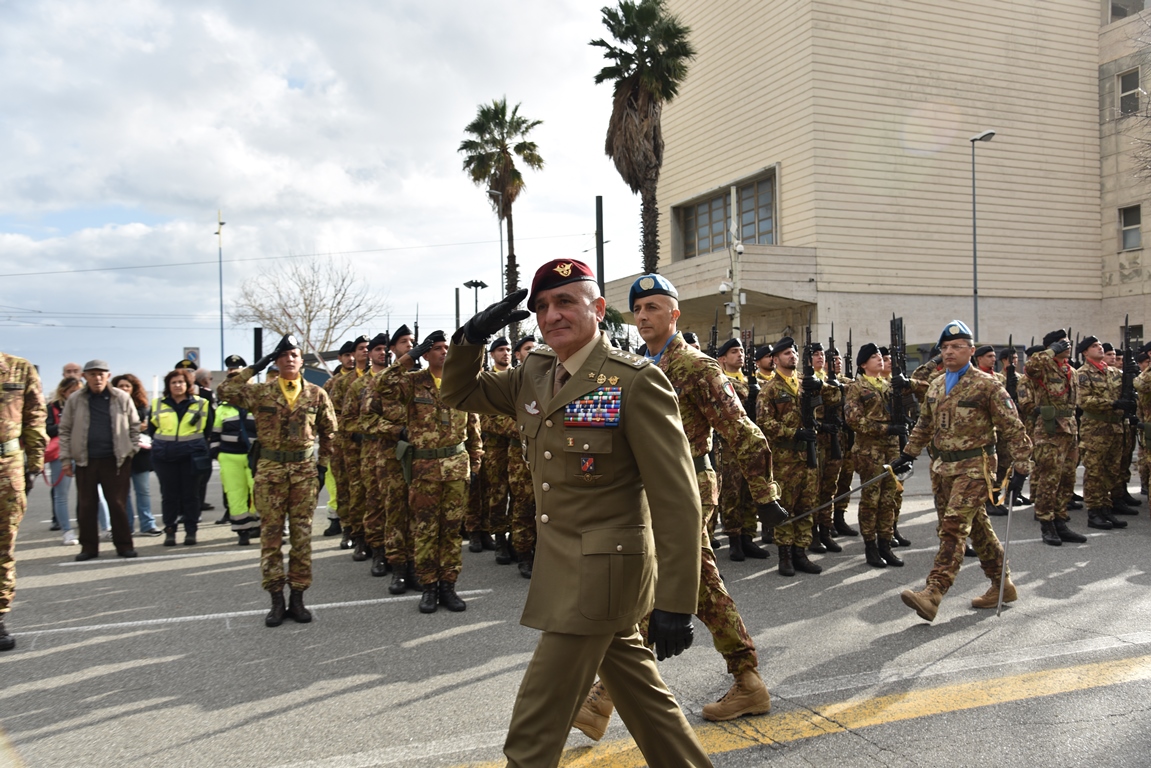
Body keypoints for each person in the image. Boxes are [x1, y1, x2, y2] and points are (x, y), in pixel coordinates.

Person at [441, 259, 712, 768]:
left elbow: (676, 497)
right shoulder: (536, 373)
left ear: (599, 310)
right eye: (542, 306)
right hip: (566, 566)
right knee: (643, 700)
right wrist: (471, 337)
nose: (552, 315)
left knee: (535, 724)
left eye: (566, 301)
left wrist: (678, 599)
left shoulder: (635, 382)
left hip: (603, 576)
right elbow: (458, 392)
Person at [572, 273, 784, 734]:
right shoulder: (629, 366)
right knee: (700, 581)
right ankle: (748, 680)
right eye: (639, 310)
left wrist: (765, 496)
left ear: (675, 313)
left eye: (654, 307)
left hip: (687, 486)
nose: (645, 316)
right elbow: (602, 427)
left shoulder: (697, 367)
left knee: (649, 582)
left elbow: (741, 429)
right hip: (643, 491)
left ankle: (603, 698)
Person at [894, 321, 1032, 623]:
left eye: (957, 346)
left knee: (953, 527)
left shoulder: (988, 385)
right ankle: (1002, 585)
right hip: (942, 467)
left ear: (971, 350)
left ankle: (933, 593)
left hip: (975, 468)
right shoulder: (936, 384)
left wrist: (1022, 466)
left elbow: (1013, 426)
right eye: (945, 347)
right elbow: (924, 425)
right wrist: (907, 455)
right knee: (977, 527)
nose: (949, 352)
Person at [218, 334, 337, 627]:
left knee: (301, 539)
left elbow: (330, 432)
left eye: (294, 354)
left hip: (304, 474)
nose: (289, 359)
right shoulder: (261, 392)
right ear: (277, 360)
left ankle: (297, 598)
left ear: (301, 361)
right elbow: (225, 390)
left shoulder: (316, 394)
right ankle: (275, 599)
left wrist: (322, 467)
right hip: (270, 473)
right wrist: (256, 366)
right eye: (282, 355)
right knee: (271, 539)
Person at [380, 330, 482, 613]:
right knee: (425, 531)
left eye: (446, 347)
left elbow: (473, 426)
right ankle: (428, 588)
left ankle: (448, 586)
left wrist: (475, 463)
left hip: (456, 468)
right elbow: (383, 384)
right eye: (437, 348)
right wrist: (409, 356)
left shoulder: (459, 382)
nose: (444, 352)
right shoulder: (413, 383)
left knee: (451, 532)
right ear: (426, 354)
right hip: (424, 470)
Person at [58, 360, 140, 561]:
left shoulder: (121, 397)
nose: (97, 378)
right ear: (84, 376)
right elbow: (65, 430)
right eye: (93, 374)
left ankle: (124, 545)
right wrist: (66, 460)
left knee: (118, 505)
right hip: (86, 461)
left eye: (101, 374)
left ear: (108, 376)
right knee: (86, 506)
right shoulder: (75, 399)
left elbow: (134, 425)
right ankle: (88, 548)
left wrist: (132, 448)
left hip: (116, 460)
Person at [0, 350, 47, 651]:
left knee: (3, 545)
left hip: (6, 466)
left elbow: (35, 414)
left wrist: (34, 464)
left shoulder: (19, 369)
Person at [844, 343, 905, 568]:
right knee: (871, 500)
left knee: (889, 499)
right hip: (870, 452)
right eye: (873, 357)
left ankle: (885, 544)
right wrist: (885, 429)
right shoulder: (856, 387)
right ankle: (870, 547)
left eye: (880, 356)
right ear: (862, 364)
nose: (879, 359)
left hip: (892, 450)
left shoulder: (890, 385)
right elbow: (853, 420)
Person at [1025, 331, 1087, 546]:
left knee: (1067, 478)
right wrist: (1051, 350)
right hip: (1049, 430)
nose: (1067, 346)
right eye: (1062, 344)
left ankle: (1061, 521)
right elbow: (1030, 367)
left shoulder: (1071, 371)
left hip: (1070, 428)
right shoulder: (1043, 366)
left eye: (1067, 343)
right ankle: (1046, 523)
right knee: (1049, 478)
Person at [1075, 335, 1133, 529]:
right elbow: (1085, 401)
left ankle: (1106, 509)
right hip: (1095, 430)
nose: (1099, 348)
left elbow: (1126, 395)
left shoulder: (1115, 373)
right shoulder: (1083, 374)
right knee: (1095, 472)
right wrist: (1113, 403)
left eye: (1100, 345)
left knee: (1111, 471)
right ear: (1085, 352)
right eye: (1094, 346)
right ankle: (1094, 512)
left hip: (1116, 429)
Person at [150, 369, 211, 546]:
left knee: (191, 495)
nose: (178, 385)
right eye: (174, 382)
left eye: (181, 382)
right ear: (168, 386)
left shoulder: (201, 403)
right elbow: (153, 431)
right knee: (169, 496)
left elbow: (207, 430)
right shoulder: (157, 404)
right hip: (165, 457)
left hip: (191, 456)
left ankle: (191, 531)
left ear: (188, 385)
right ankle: (170, 530)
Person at [470, 337, 513, 558]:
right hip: (495, 449)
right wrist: (517, 427)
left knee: (519, 496)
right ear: (492, 354)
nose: (505, 353)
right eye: (500, 350)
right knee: (496, 495)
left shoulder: (519, 378)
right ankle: (500, 540)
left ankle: (517, 538)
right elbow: (483, 419)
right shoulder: (486, 380)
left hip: (518, 448)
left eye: (508, 349)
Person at [210, 357, 259, 546]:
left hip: (254, 456)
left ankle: (259, 526)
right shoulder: (222, 408)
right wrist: (218, 453)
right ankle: (242, 530)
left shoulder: (257, 404)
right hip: (230, 457)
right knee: (235, 494)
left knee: (259, 493)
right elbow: (215, 433)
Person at [112, 374, 161, 536]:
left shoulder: (142, 408)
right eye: (121, 386)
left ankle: (147, 524)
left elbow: (145, 428)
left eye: (127, 386)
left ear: (134, 389)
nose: (124, 389)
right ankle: (126, 525)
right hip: (120, 455)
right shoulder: (110, 406)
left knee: (143, 491)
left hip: (140, 456)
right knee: (122, 493)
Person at [321, 344, 355, 537]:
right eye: (347, 355)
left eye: (353, 354)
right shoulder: (331, 384)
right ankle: (338, 522)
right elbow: (327, 417)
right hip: (339, 443)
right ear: (340, 358)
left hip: (360, 443)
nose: (351, 359)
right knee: (338, 486)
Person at [45, 377, 82, 545]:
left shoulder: (85, 406)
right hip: (60, 454)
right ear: (63, 392)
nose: (76, 395)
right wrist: (66, 425)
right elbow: (47, 429)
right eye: (73, 391)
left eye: (79, 391)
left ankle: (104, 528)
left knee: (94, 493)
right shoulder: (52, 408)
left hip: (83, 452)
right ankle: (67, 531)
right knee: (61, 495)